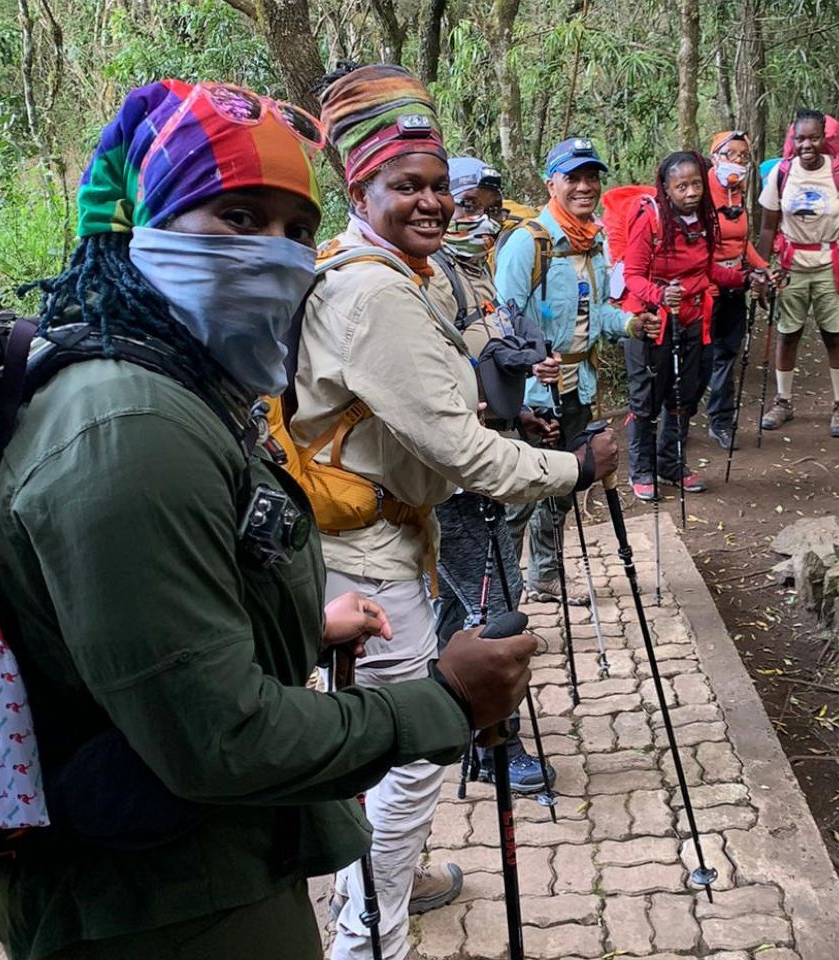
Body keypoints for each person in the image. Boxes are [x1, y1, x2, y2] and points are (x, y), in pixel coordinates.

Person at [0, 79, 539, 960]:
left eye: (292, 228)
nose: (276, 256)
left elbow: (152, 640)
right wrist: (443, 702)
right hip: (158, 910)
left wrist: (301, 630)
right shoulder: (128, 430)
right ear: (139, 231)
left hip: (212, 869)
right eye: (238, 217)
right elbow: (223, 739)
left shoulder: (178, 389)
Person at [292, 64, 616, 960]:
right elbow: (464, 454)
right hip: (368, 559)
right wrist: (575, 467)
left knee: (401, 745)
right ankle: (371, 934)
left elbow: (459, 355)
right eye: (408, 186)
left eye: (438, 184)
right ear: (361, 187)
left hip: (383, 537)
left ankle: (388, 883)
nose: (432, 202)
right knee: (410, 756)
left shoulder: (404, 269)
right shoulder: (374, 293)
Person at [429, 156, 554, 795]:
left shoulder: (475, 272)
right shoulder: (429, 278)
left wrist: (518, 416)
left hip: (487, 451)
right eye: (467, 203)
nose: (478, 217)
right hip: (458, 473)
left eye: (488, 206)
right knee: (492, 603)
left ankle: (450, 722)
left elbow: (485, 363)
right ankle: (489, 741)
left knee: (460, 598)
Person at [494, 136, 658, 602]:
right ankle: (498, 593)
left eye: (592, 177)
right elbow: (501, 320)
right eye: (574, 178)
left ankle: (545, 576)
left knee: (564, 484)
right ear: (552, 184)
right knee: (521, 492)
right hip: (533, 396)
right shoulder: (529, 244)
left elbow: (596, 314)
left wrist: (629, 323)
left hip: (577, 388)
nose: (585, 186)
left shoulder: (594, 243)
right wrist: (529, 365)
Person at [621, 151, 749, 499]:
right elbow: (631, 276)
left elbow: (707, 271)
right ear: (666, 188)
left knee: (683, 397)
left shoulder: (706, 220)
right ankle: (642, 468)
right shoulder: (651, 221)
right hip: (652, 324)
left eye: (695, 184)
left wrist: (745, 279)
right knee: (646, 401)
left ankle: (671, 463)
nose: (691, 192)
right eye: (681, 186)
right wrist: (661, 295)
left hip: (694, 321)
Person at [757, 108, 839, 438]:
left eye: (814, 137)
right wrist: (760, 272)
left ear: (824, 139)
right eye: (800, 138)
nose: (807, 145)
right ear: (792, 139)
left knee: (834, 333)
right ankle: (783, 401)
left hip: (831, 260)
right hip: (792, 263)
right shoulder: (782, 173)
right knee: (789, 332)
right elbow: (768, 228)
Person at [697, 131, 769, 451]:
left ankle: (720, 422)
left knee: (727, 354)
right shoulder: (699, 193)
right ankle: (674, 424)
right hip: (704, 292)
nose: (738, 161)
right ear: (715, 156)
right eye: (731, 154)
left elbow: (741, 244)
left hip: (734, 288)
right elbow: (697, 250)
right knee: (698, 359)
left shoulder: (738, 193)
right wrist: (730, 278)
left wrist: (763, 268)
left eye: (744, 156)